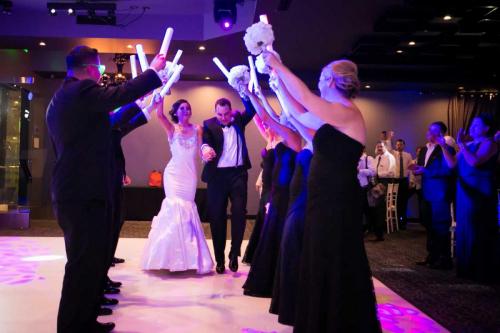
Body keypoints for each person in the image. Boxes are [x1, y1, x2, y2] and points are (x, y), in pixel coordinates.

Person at [46, 45, 165, 333]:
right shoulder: (79, 92)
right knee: (81, 265)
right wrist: (153, 72)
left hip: (79, 192)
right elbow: (118, 95)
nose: (101, 75)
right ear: (89, 69)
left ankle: (84, 322)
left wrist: (142, 102)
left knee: (88, 264)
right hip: (81, 194)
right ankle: (73, 327)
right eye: (99, 68)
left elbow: (112, 120)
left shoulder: (68, 97)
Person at [263, 53, 381, 332]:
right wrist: (277, 84)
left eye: (323, 72)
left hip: (337, 198)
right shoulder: (330, 116)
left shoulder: (346, 112)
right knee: (319, 255)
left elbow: (304, 97)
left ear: (330, 79)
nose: (319, 76)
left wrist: (279, 64)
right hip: (322, 196)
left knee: (334, 256)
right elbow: (299, 116)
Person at [141, 97, 214, 274]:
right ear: (176, 112)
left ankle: (187, 259)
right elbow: (159, 114)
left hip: (189, 175)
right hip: (173, 174)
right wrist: (163, 90)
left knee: (187, 211)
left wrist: (206, 155)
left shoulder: (198, 128)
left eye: (188, 108)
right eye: (182, 108)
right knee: (174, 208)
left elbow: (200, 149)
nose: (186, 111)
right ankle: (168, 258)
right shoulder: (172, 128)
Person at [242, 84, 301, 298]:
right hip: (276, 191)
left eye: (284, 115)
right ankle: (274, 279)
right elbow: (265, 117)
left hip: (284, 194)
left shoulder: (294, 138)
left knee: (278, 234)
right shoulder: (283, 137)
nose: (280, 117)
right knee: (272, 235)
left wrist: (252, 94)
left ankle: (280, 281)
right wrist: (253, 95)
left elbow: (266, 117)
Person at [439, 114, 499, 283]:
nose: (472, 128)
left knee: (478, 228)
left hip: (479, 191)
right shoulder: (469, 144)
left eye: (477, 125)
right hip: (464, 191)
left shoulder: (490, 143)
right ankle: (466, 268)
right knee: (465, 228)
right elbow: (452, 164)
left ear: (487, 128)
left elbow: (475, 162)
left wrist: (461, 145)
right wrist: (444, 147)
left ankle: (481, 270)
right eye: (472, 124)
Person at [200, 96, 256, 274]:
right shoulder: (209, 124)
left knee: (239, 214)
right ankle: (219, 259)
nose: (223, 118)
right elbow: (205, 142)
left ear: (231, 111)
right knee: (217, 218)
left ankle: (233, 254)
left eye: (226, 114)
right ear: (215, 112)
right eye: (219, 114)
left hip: (238, 174)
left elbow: (252, 109)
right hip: (217, 177)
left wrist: (243, 92)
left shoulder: (239, 119)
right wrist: (205, 149)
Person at [411, 121, 455, 270]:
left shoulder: (446, 149)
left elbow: (448, 171)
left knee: (441, 226)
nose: (430, 133)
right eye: (429, 130)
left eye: (434, 131)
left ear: (441, 133)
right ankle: (432, 256)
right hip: (426, 191)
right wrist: (417, 170)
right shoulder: (424, 150)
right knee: (428, 224)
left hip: (440, 192)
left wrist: (426, 171)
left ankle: (444, 259)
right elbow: (424, 168)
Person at [242, 115, 280, 264]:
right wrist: (253, 98)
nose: (265, 126)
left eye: (268, 124)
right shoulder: (269, 139)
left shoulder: (282, 142)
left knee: (267, 217)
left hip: (273, 185)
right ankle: (257, 254)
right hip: (265, 184)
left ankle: (267, 256)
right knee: (262, 217)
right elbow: (258, 120)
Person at [391, 139, 413, 229]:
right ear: (396, 146)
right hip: (395, 181)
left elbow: (411, 169)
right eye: (397, 144)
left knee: (404, 202)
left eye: (401, 144)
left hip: (404, 181)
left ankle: (403, 222)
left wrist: (411, 181)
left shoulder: (408, 155)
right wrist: (389, 138)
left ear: (404, 145)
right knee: (395, 202)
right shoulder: (393, 154)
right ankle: (396, 222)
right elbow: (388, 149)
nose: (399, 146)